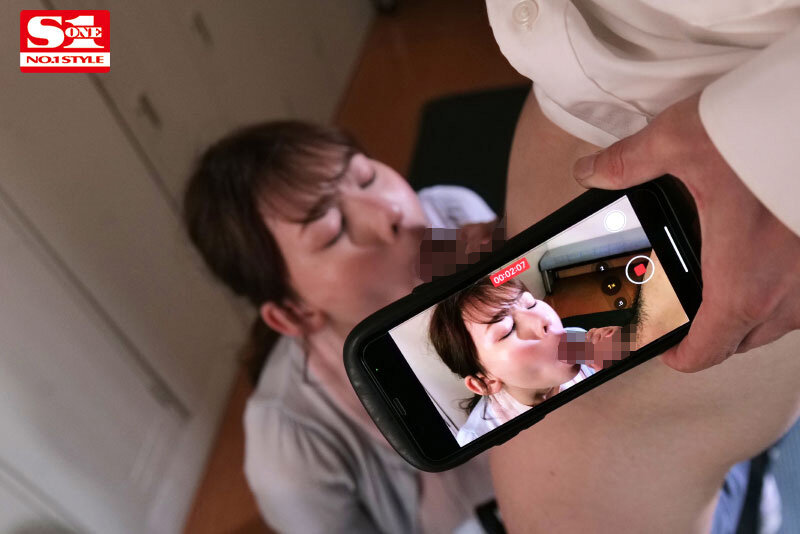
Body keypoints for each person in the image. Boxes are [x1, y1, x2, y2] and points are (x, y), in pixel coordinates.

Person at [483, 1, 800, 532]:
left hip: (741, 175)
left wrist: (779, 153)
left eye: (524, 304)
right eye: (507, 324)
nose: (536, 313)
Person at [183, 121, 498, 533]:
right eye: (332, 232)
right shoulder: (293, 446)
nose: (390, 211)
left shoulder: (453, 211)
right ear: (295, 313)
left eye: (366, 177)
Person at [429, 277, 605, 446]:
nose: (543, 320)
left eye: (531, 304)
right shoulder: (480, 439)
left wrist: (611, 364)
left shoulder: (578, 340)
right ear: (486, 381)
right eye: (507, 330)